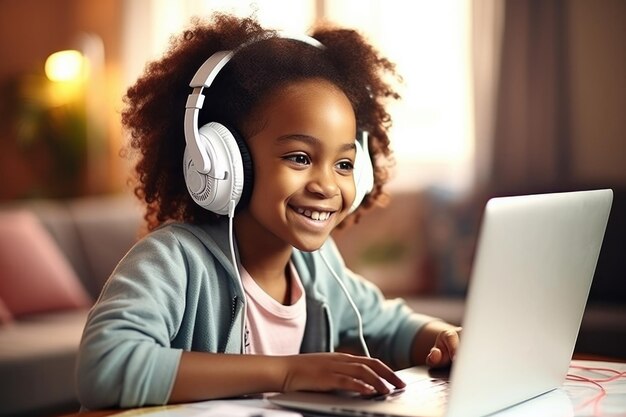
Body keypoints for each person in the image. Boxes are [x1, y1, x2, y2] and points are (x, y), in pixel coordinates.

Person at [76, 12, 461, 410]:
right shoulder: (174, 260)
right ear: (224, 163)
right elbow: (105, 367)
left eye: (344, 164)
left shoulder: (315, 269)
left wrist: (444, 337)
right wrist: (288, 371)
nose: (327, 185)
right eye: (299, 157)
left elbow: (391, 327)